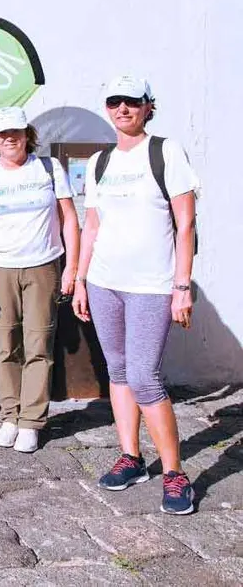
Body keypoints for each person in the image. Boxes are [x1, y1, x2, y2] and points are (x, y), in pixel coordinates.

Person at [72, 76, 199, 515]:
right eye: (114, 101)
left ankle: (174, 473)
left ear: (148, 107)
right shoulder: (99, 161)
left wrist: (182, 286)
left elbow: (186, 225)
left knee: (146, 377)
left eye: (132, 101)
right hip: (106, 282)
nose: (122, 108)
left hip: (152, 285)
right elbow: (92, 225)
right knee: (120, 371)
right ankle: (131, 456)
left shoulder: (166, 152)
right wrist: (81, 279)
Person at [0, 107, 80, 454]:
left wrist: (71, 268)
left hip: (42, 266)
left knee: (39, 345)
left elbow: (70, 221)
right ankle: (10, 416)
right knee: (7, 346)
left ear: (27, 133)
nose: (9, 138)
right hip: (0, 269)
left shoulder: (48, 168)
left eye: (16, 131)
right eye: (2, 134)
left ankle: (32, 420)